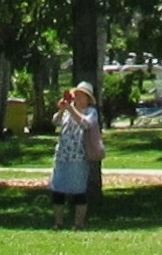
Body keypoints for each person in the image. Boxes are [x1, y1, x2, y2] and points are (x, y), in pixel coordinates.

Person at [49, 81, 99, 230]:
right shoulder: (68, 110)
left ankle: (79, 224)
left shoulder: (91, 112)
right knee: (58, 191)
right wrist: (61, 110)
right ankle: (58, 223)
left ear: (88, 99)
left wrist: (71, 110)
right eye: (76, 95)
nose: (77, 98)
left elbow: (85, 124)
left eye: (81, 96)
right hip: (62, 156)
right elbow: (54, 122)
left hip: (79, 157)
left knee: (79, 192)